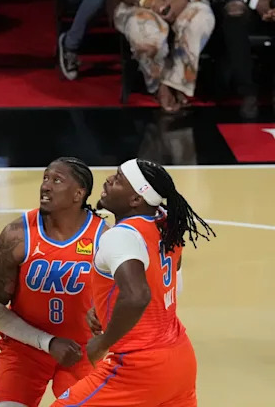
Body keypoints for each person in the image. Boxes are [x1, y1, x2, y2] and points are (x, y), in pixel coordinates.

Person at [51, 158, 215, 406]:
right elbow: (170, 285)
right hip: (180, 359)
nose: (108, 180)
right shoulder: (166, 224)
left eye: (118, 180)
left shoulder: (120, 236)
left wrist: (103, 342)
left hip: (139, 366)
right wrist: (108, 308)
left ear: (136, 199)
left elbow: (137, 296)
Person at [0, 158, 106, 407]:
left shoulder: (104, 237)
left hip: (82, 352)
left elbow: (126, 299)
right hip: (25, 350)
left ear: (78, 194)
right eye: (45, 178)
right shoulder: (17, 234)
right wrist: (47, 343)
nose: (46, 186)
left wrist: (106, 322)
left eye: (57, 180)